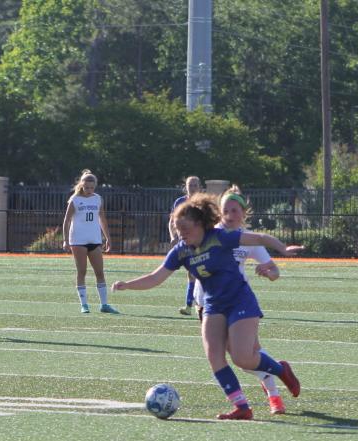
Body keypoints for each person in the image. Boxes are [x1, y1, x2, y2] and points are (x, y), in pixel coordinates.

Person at [113, 193, 303, 420]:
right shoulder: (181, 251)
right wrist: (127, 285)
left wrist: (282, 248)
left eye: (185, 228)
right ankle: (242, 407)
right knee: (214, 356)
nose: (181, 234)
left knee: (243, 358)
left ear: (200, 224)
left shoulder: (221, 237)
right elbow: (156, 278)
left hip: (239, 299)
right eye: (177, 228)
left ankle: (281, 369)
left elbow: (260, 238)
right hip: (213, 304)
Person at [191, 187, 289, 414]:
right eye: (225, 209)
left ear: (243, 213)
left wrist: (269, 272)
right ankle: (266, 387)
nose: (230, 214)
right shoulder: (209, 234)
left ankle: (274, 397)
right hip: (207, 303)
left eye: (235, 210)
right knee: (232, 357)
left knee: (247, 354)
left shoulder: (248, 240)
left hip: (237, 301)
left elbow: (275, 272)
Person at [62, 170, 117, 314]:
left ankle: (104, 305)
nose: (89, 190)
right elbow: (66, 221)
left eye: (92, 188)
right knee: (82, 272)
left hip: (94, 240)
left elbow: (102, 219)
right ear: (82, 185)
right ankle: (84, 305)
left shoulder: (97, 198)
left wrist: (108, 238)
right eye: (86, 187)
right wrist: (65, 240)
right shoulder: (75, 200)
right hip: (78, 240)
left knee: (100, 272)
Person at [170, 176, 204, 316]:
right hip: (186, 242)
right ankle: (191, 305)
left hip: (200, 241)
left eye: (195, 184)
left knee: (197, 273)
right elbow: (172, 221)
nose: (193, 187)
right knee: (192, 273)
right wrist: (173, 236)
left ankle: (195, 304)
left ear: (199, 187)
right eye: (190, 184)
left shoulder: (203, 203)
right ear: (186, 186)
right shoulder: (180, 202)